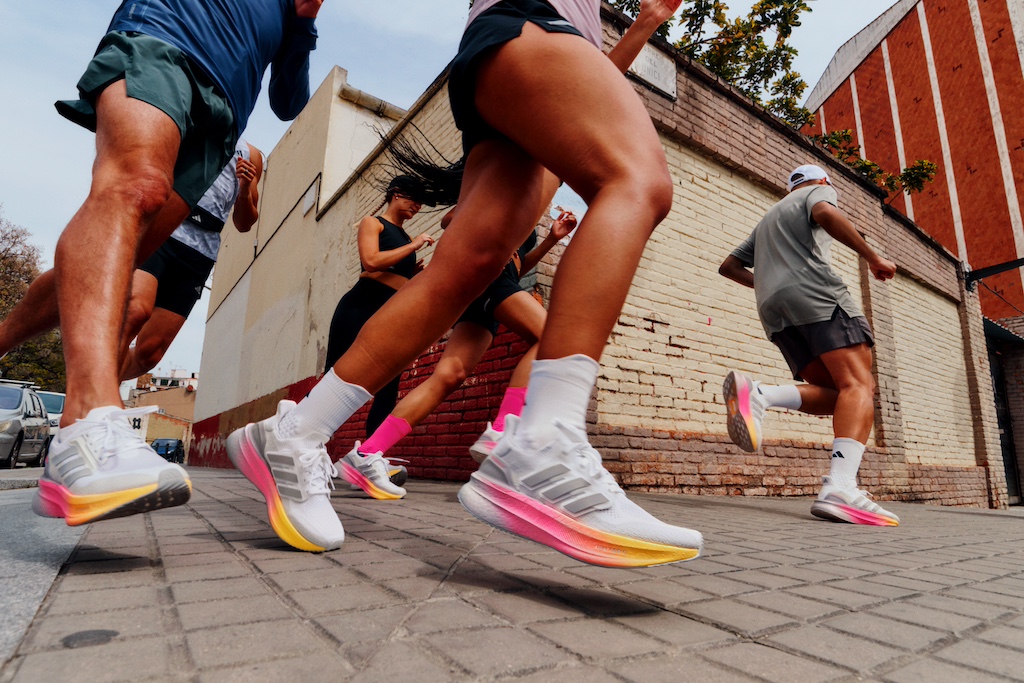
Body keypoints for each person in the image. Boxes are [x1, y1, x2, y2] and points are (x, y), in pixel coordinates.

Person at [228, 0, 703, 565]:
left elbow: (590, 65)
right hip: (525, 29)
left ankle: (298, 430)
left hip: (511, 50)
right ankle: (542, 444)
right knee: (639, 181)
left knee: (465, 270)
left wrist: (646, 23)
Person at [28, 0, 323, 527]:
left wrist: (304, 23)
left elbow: (288, 101)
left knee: (137, 305)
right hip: (166, 36)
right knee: (136, 191)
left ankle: (24, 354)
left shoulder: (292, 19)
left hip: (224, 114)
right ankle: (90, 419)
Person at [345, 209, 577, 500]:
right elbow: (452, 219)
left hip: (498, 284)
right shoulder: (512, 181)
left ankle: (367, 453)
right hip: (489, 277)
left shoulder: (535, 209)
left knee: (449, 375)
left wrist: (552, 239)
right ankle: (503, 431)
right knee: (554, 339)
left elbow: (518, 266)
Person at [718, 164, 901, 527]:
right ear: (823, 181)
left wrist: (777, 286)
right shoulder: (817, 192)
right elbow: (825, 213)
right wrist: (872, 256)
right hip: (819, 297)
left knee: (838, 394)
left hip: (775, 310)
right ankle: (841, 487)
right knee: (860, 386)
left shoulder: (769, 218)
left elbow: (729, 266)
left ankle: (762, 395)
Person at [120, 140, 264, 380]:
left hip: (200, 252)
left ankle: (99, 389)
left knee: (149, 354)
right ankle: (94, 399)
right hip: (163, 230)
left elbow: (244, 224)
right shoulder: (193, 119)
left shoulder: (252, 155)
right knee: (134, 311)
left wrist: (245, 188)